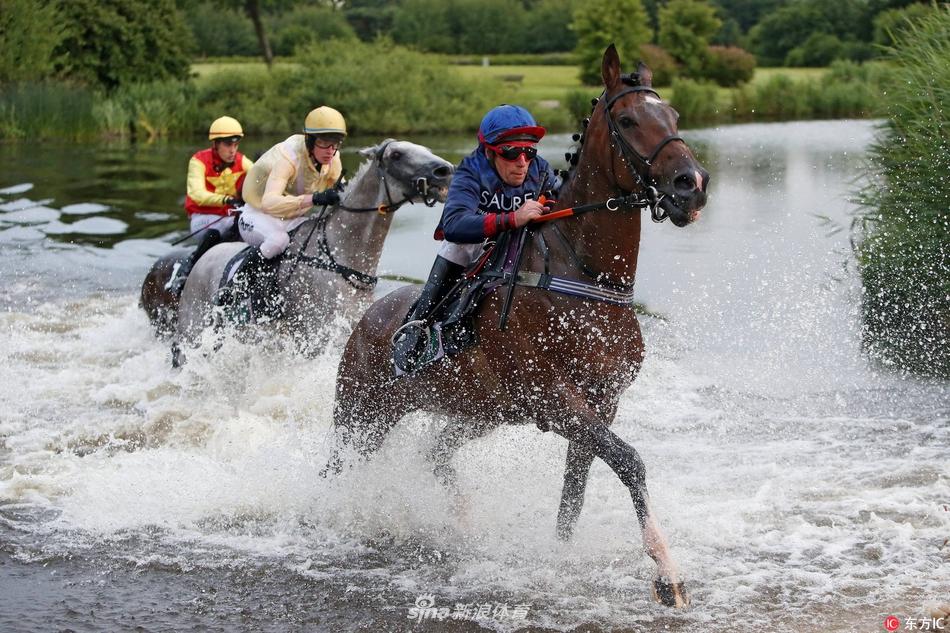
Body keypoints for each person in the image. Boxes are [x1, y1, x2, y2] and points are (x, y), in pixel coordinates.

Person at [393, 104, 559, 371]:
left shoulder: (539, 168)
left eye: (529, 152)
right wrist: (512, 218)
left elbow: (556, 193)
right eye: (512, 152)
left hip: (518, 242)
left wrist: (550, 202)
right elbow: (454, 225)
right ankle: (417, 331)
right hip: (473, 241)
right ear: (489, 152)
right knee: (457, 249)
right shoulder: (470, 171)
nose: (522, 162)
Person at [224, 106, 346, 314]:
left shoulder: (333, 158)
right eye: (324, 143)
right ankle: (234, 289)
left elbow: (340, 189)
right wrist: (314, 198)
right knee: (279, 240)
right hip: (258, 215)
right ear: (310, 141)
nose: (330, 150)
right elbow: (269, 203)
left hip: (290, 217)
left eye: (334, 144)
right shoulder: (289, 157)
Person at [166, 116, 253, 294]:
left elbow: (260, 177)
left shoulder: (242, 162)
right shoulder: (198, 161)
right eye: (228, 144)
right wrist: (225, 200)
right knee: (215, 233)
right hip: (203, 218)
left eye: (236, 144)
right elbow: (196, 194)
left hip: (230, 218)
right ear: (216, 144)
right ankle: (187, 271)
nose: (233, 150)